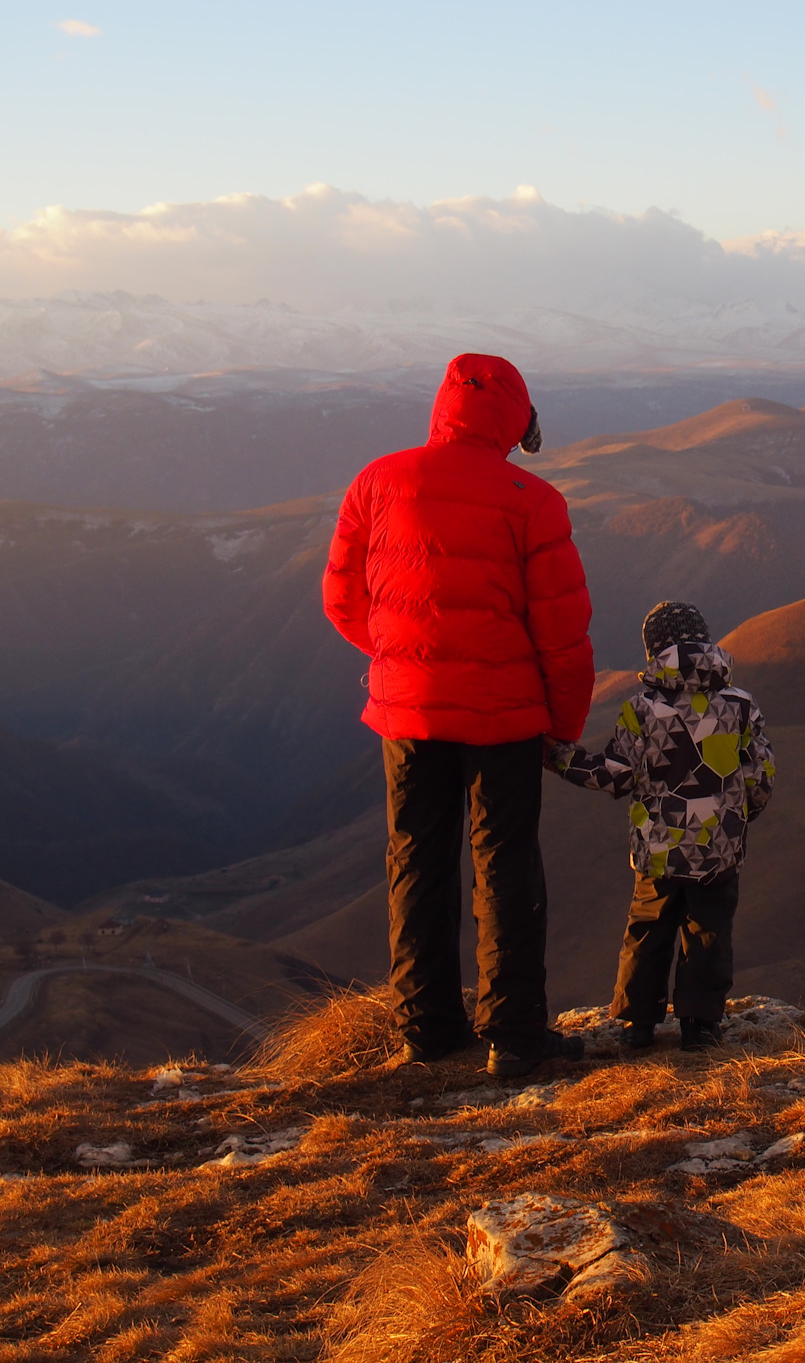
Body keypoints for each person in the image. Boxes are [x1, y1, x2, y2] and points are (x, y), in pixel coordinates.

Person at [322, 353, 594, 1080]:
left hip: (407, 712)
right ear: (515, 420)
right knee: (504, 865)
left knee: (416, 858)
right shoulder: (532, 501)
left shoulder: (377, 481)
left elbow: (344, 600)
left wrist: (402, 658)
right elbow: (563, 636)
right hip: (504, 718)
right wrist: (562, 727)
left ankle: (429, 1031)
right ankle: (515, 1035)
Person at [544, 601, 774, 1051]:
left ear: (653, 650)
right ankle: (700, 1026)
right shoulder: (741, 706)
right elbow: (759, 776)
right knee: (708, 935)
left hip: (658, 850)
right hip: (719, 849)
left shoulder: (642, 709)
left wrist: (558, 757)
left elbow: (616, 772)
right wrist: (736, 818)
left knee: (648, 933)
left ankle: (638, 1025)